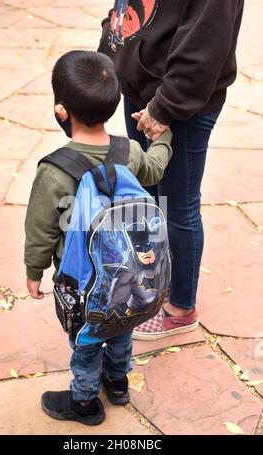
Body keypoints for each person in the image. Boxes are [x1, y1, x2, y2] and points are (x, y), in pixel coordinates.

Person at [24, 50, 172, 425]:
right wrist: (164, 136)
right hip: (130, 279)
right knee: (122, 325)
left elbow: (40, 230)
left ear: (61, 111)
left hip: (83, 284)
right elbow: (155, 168)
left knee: (87, 339)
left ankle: (85, 402)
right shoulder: (129, 152)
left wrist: (33, 269)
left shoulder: (55, 170)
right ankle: (118, 382)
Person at [98, 0, 245, 340]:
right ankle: (156, 281)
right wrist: (109, 56)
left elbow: (206, 43)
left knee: (179, 205)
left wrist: (165, 107)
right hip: (140, 86)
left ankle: (181, 308)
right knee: (148, 194)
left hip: (182, 103)